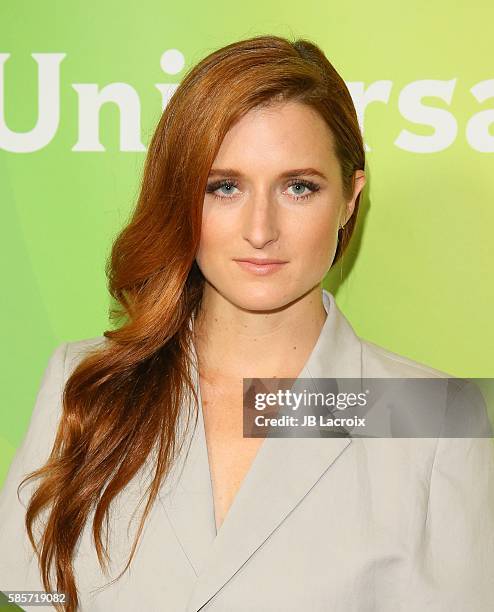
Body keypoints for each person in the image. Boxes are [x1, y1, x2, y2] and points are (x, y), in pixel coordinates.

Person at [1, 34, 493, 612]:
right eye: (225, 187)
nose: (261, 229)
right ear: (183, 196)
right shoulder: (85, 384)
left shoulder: (432, 419)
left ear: (349, 200)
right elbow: (25, 595)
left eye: (299, 187)